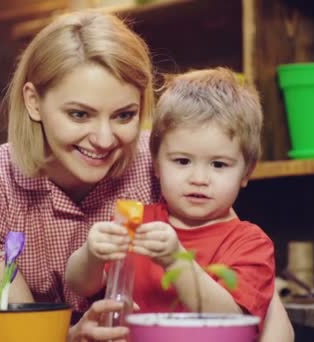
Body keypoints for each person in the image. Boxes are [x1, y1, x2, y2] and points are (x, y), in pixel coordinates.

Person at [0, 9, 292, 341]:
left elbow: (240, 271)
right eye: (80, 114)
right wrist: (73, 337)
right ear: (34, 102)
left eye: (124, 115)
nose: (105, 139)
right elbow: (16, 332)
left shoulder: (168, 161)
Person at [66, 68, 277, 334]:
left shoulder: (251, 244)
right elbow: (79, 284)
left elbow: (232, 320)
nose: (199, 178)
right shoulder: (137, 221)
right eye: (182, 161)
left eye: (219, 164)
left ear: (246, 171)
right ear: (156, 164)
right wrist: (91, 254)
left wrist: (177, 261)